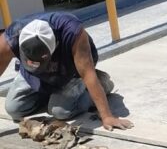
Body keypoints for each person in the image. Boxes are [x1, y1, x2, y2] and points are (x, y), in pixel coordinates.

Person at [0, 12, 133, 131]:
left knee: (61, 112)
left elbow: (87, 74)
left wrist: (107, 116)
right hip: (34, 74)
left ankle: (101, 84)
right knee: (14, 109)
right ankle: (51, 94)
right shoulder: (10, 38)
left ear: (55, 46)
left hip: (70, 70)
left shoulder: (72, 33)